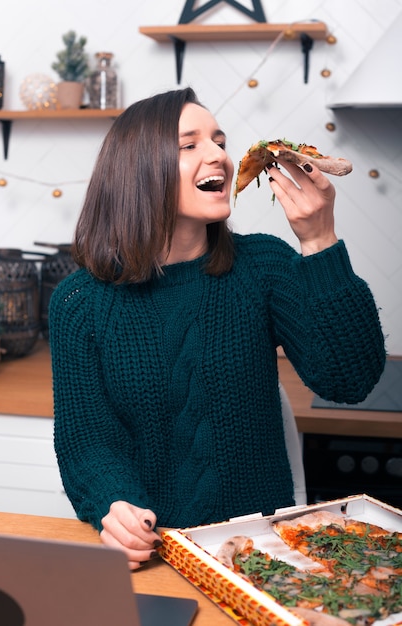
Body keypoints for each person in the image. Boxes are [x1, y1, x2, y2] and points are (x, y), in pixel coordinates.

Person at [49, 87, 386, 570]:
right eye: (190, 145)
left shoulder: (263, 267)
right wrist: (113, 506)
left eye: (219, 140)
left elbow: (350, 380)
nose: (220, 156)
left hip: (262, 555)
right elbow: (89, 442)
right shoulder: (79, 301)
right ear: (138, 170)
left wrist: (320, 240)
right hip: (156, 556)